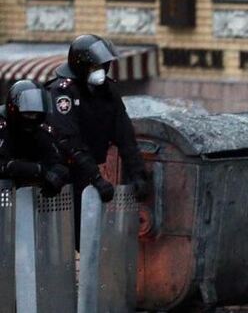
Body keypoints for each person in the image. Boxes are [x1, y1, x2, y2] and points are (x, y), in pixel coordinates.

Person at [45, 34, 149, 246]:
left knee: (91, 234)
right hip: (63, 172)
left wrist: (138, 173)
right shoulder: (62, 92)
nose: (102, 70)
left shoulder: (107, 91)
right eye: (96, 66)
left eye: (104, 65)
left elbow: (125, 134)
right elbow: (68, 140)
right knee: (64, 236)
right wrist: (96, 178)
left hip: (89, 170)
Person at [0, 80, 69, 196]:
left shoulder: (41, 130)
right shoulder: (3, 127)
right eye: (28, 114)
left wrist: (55, 176)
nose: (32, 118)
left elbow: (58, 159)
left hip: (30, 200)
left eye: (36, 114)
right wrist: (35, 170)